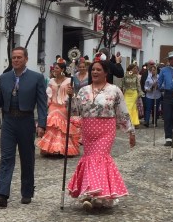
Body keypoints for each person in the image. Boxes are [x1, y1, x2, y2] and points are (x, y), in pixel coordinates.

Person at [66, 59, 136, 208]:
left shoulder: (114, 90)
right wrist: (71, 97)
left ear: (106, 72)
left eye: (98, 70)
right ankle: (92, 194)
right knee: (90, 158)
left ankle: (93, 194)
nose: (95, 72)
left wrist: (131, 131)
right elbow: (75, 111)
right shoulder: (84, 90)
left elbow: (122, 112)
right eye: (93, 70)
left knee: (99, 158)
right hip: (88, 129)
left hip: (106, 129)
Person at [0, 47, 47, 207]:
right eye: (14, 58)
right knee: (6, 157)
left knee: (27, 158)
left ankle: (27, 192)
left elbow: (41, 103)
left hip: (26, 121)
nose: (16, 60)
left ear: (26, 59)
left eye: (19, 57)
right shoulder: (4, 77)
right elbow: (1, 101)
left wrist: (42, 124)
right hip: (9, 121)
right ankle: (1, 194)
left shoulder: (37, 78)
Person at [38, 60, 78, 156]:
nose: (54, 70)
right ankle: (50, 149)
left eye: (56, 68)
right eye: (53, 68)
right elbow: (49, 94)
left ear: (62, 69)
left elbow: (71, 94)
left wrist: (70, 94)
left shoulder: (69, 81)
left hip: (63, 106)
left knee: (61, 126)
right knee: (52, 124)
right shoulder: (51, 81)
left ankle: (60, 148)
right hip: (53, 105)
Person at [122, 62, 142, 128]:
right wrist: (122, 91)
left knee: (130, 107)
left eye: (136, 68)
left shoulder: (136, 76)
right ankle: (134, 122)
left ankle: (129, 122)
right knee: (131, 108)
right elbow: (123, 84)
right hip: (127, 93)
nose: (136, 70)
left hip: (134, 93)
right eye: (135, 68)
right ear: (131, 69)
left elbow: (138, 85)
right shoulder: (125, 75)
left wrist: (139, 93)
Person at [142, 60, 160, 127]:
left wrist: (158, 86)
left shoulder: (159, 77)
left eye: (154, 70)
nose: (153, 71)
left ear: (156, 71)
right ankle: (146, 121)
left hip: (157, 95)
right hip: (149, 95)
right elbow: (145, 86)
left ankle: (154, 121)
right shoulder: (148, 76)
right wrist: (149, 88)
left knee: (155, 109)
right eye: (152, 70)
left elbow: (162, 85)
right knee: (148, 108)